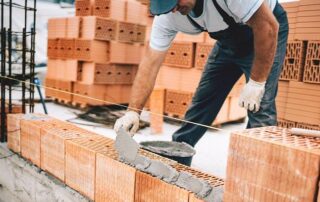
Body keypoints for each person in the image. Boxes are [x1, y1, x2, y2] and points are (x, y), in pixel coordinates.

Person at [114, 0, 288, 159]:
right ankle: (176, 160)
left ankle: (256, 179)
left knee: (260, 108)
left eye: (174, 2)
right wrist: (133, 111)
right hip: (228, 44)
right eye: (166, 6)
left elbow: (268, 27)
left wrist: (257, 82)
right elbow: (150, 64)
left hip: (266, 30)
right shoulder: (168, 16)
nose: (173, 9)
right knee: (202, 101)